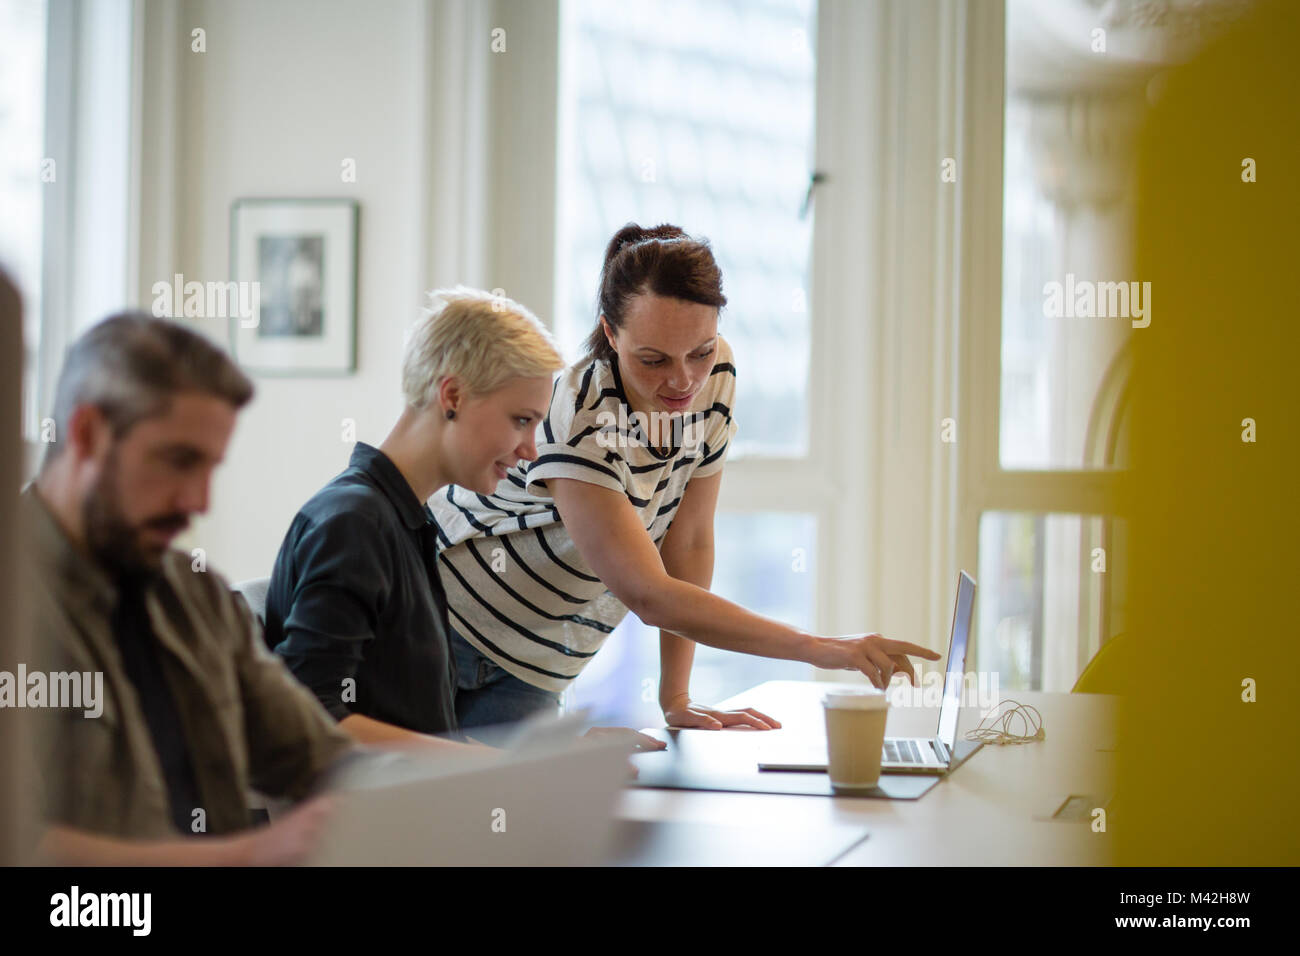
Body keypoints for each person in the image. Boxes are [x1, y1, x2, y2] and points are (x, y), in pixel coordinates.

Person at [431, 223, 940, 730]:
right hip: (445, 620)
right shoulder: (585, 406)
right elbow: (649, 593)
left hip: (540, 658)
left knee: (506, 806)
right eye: (652, 360)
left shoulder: (718, 377)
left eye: (701, 351)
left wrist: (676, 697)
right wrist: (822, 648)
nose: (682, 381)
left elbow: (690, 543)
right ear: (611, 332)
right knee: (428, 800)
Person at [265, 287, 661, 754]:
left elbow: (414, 726)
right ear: (451, 395)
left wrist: (553, 751)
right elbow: (304, 716)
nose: (530, 450)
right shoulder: (354, 525)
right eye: (520, 420)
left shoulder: (402, 519)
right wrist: (497, 767)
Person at [20, 312, 353, 865]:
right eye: (179, 461)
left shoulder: (198, 598)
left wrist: (460, 789)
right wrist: (248, 854)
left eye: (211, 469)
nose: (199, 502)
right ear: (86, 435)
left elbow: (318, 760)